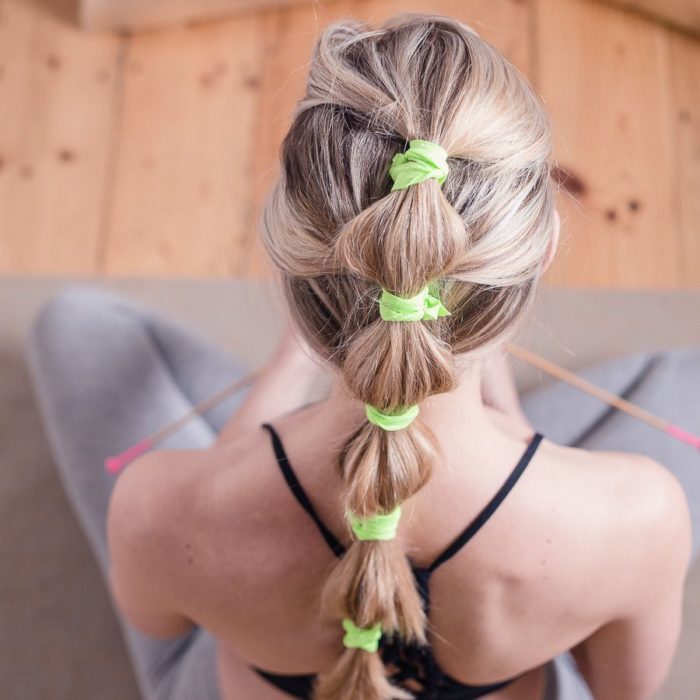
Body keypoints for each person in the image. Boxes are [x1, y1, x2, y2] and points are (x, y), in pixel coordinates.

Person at [24, 12, 696, 700]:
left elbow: (159, 622)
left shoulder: (158, 504)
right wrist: (519, 433)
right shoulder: (641, 516)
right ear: (543, 248)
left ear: (289, 252)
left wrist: (291, 367)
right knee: (684, 381)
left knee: (75, 324)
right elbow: (624, 692)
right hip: (533, 534)